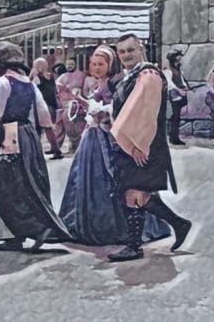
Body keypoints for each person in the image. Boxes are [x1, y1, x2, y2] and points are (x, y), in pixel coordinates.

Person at [59, 45, 170, 246]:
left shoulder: (115, 83)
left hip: (108, 137)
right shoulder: (94, 83)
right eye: (93, 64)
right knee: (85, 179)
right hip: (91, 136)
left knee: (115, 182)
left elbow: (118, 108)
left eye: (101, 64)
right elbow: (94, 106)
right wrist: (80, 101)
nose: (96, 67)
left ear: (110, 64)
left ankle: (117, 228)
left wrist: (102, 113)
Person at [0, 41, 71, 253]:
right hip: (27, 135)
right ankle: (17, 233)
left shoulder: (2, 83)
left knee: (6, 184)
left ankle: (30, 228)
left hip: (8, 135)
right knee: (27, 181)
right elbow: (43, 116)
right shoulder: (29, 84)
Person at [107, 34, 192, 262]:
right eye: (122, 51)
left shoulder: (148, 74)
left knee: (134, 193)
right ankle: (179, 223)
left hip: (145, 144)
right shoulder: (132, 76)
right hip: (133, 143)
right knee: (138, 193)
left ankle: (134, 246)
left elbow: (145, 113)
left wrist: (138, 144)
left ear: (140, 48)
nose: (126, 55)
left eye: (130, 50)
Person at [53, 58, 88, 155]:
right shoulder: (63, 76)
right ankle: (56, 147)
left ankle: (75, 144)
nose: (69, 66)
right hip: (63, 104)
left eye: (71, 64)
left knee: (67, 116)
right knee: (58, 120)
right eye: (68, 64)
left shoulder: (81, 75)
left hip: (76, 104)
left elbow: (84, 92)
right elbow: (56, 89)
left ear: (75, 64)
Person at [32, 58, 64, 159]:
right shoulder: (50, 76)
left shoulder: (36, 78)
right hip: (51, 105)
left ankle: (52, 150)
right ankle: (55, 149)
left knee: (40, 129)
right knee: (48, 129)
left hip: (41, 106)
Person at [164, 50, 189, 146]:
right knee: (174, 118)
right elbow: (170, 84)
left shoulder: (178, 70)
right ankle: (173, 138)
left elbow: (181, 80)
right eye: (179, 58)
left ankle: (176, 137)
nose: (180, 60)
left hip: (179, 97)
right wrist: (179, 90)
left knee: (177, 118)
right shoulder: (168, 70)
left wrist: (185, 87)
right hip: (173, 98)